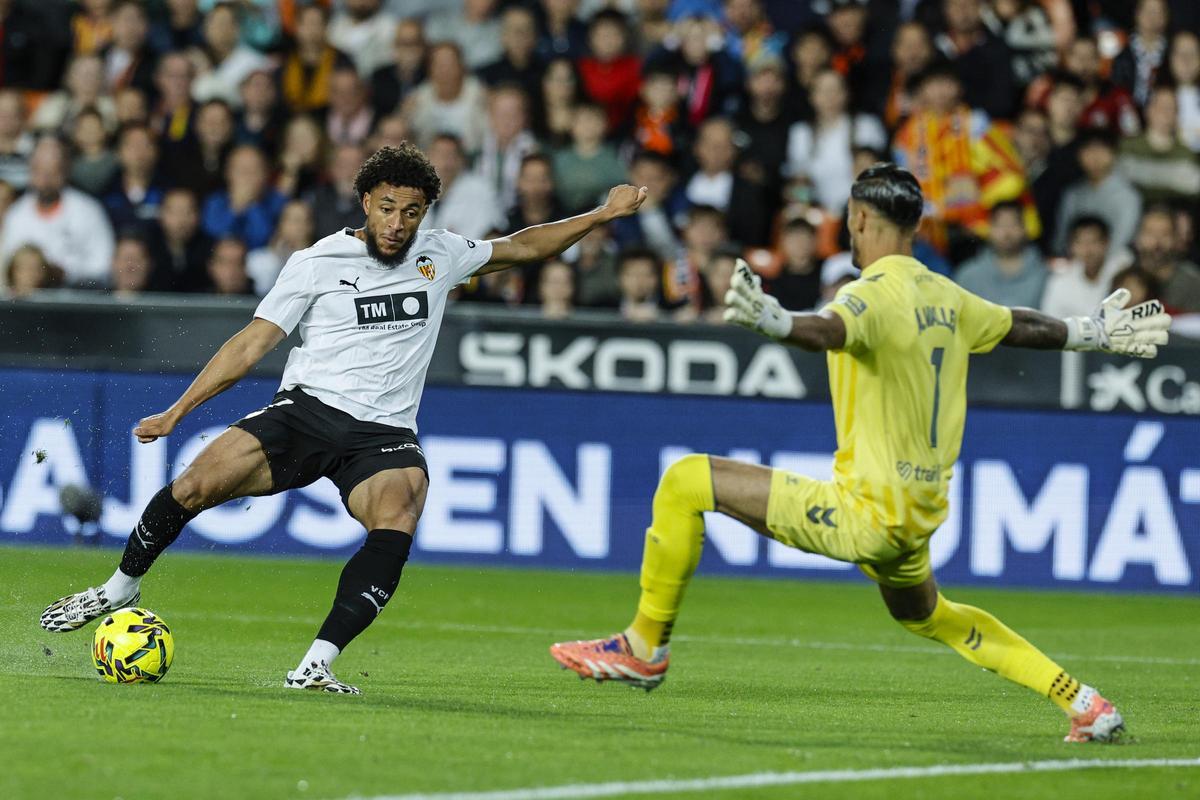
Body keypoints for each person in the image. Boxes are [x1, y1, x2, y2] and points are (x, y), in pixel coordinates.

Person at [549, 162, 1171, 744]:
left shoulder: (869, 293)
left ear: (861, 221)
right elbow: (1020, 324)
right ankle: (1082, 701)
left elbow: (833, 329)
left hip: (865, 513)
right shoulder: (948, 297)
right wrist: (1093, 332)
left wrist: (776, 321)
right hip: (918, 514)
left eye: (849, 219)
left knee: (686, 480)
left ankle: (644, 648)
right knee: (930, 616)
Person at [38, 143, 649, 696]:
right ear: (365, 203)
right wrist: (178, 411)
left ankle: (316, 663)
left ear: (425, 212)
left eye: (412, 211)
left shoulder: (443, 254)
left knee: (401, 509)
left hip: (382, 437)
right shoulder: (315, 261)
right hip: (305, 414)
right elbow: (252, 343)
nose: (398, 223)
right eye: (387, 208)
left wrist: (599, 216)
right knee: (194, 485)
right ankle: (119, 587)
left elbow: (523, 245)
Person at [0, 137, 114, 286]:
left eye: (52, 172)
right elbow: (8, 266)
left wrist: (67, 274)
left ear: (65, 172)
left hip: (74, 299)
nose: (45, 180)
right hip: (27, 303)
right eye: (39, 171)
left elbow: (104, 266)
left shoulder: (88, 211)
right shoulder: (16, 215)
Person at [1053, 128, 1141, 257]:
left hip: (1113, 265)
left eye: (1101, 149)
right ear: (1079, 155)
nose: (1094, 156)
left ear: (1114, 153)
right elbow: (1061, 240)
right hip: (1074, 265)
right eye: (1088, 150)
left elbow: (1122, 243)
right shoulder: (1072, 193)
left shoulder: (1128, 196)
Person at [954, 200, 1048, 308]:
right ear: (989, 228)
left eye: (1013, 224)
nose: (1006, 233)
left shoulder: (1045, 274)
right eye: (1000, 225)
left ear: (1025, 229)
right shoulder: (968, 276)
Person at [1040, 216, 1131, 318]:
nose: (1087, 250)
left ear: (1107, 242)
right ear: (1071, 247)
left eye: (1093, 241)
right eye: (1080, 242)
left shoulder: (1124, 269)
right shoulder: (1059, 281)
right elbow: (1051, 321)